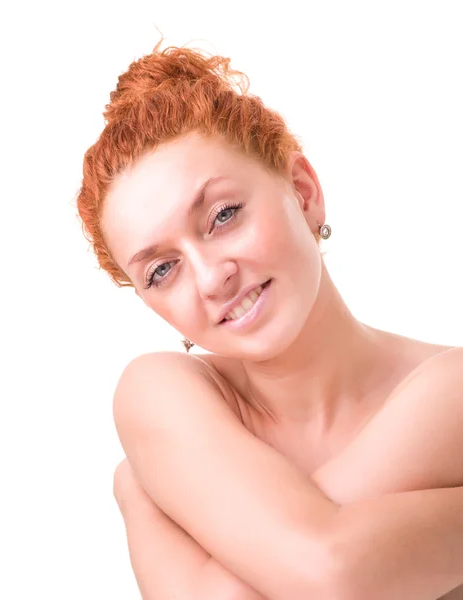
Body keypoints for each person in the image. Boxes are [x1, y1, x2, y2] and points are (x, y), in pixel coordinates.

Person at [75, 41, 463, 599]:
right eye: (162, 270)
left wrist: (142, 497)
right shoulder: (160, 393)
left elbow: (327, 575)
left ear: (303, 194)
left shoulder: (449, 388)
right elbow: (330, 571)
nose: (212, 278)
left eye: (223, 215)